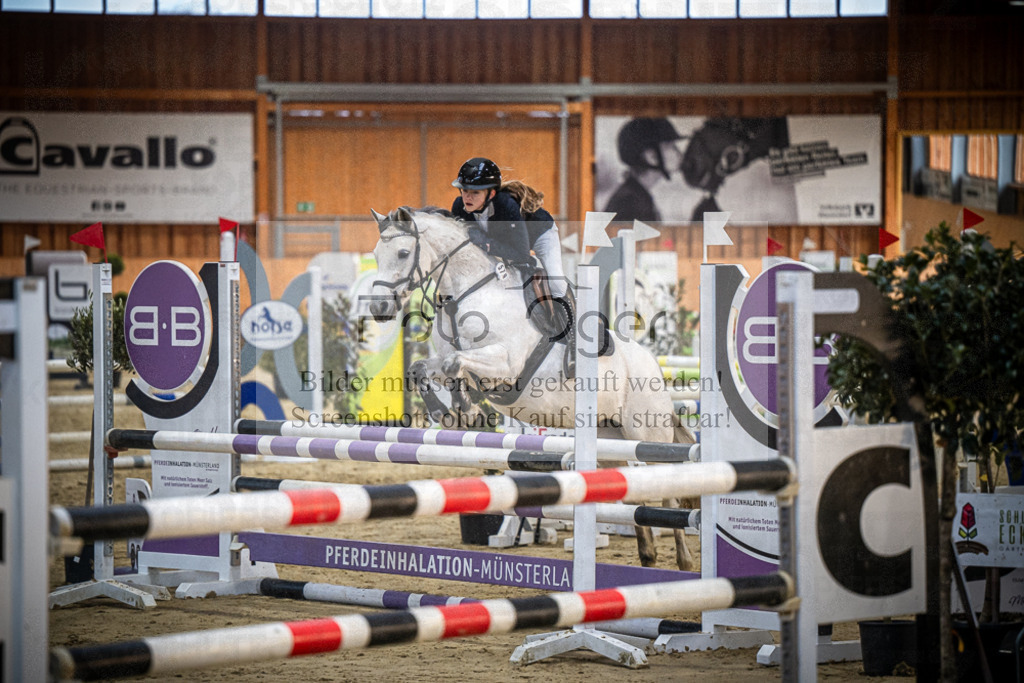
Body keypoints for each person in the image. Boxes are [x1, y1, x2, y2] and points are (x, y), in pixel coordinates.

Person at [602, 117, 685, 223]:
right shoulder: (630, 203)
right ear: (652, 157)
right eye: (671, 146)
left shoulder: (635, 195)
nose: (678, 152)